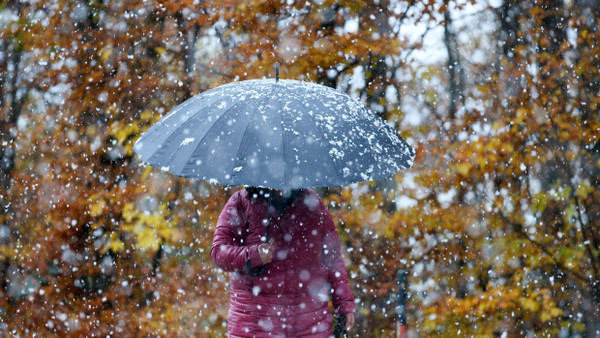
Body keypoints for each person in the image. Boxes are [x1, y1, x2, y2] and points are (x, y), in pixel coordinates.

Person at [211, 187, 356, 337]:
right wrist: (253, 254)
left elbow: (333, 258)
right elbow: (218, 252)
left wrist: (344, 304)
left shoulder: (312, 203)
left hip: (310, 325)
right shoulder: (241, 202)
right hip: (255, 325)